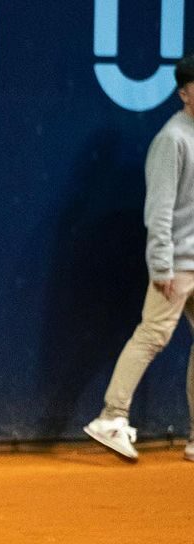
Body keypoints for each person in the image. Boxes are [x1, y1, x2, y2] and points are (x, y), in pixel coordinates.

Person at [84, 54, 194, 463]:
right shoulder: (173, 139)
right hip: (176, 264)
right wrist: (162, 264)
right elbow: (160, 209)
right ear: (184, 93)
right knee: (152, 336)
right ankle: (110, 417)